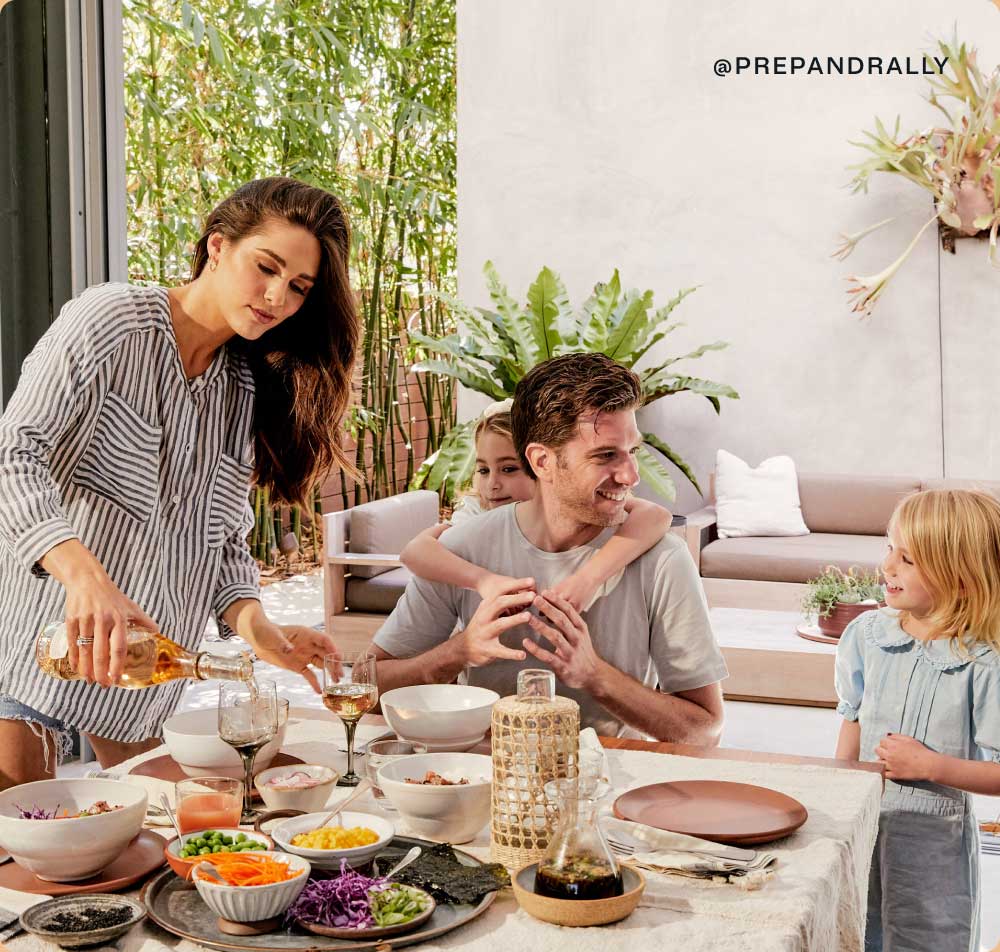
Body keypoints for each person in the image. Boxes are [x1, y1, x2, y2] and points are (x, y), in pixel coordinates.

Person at [0, 177, 359, 786]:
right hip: (37, 651)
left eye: (298, 287)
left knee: (171, 845)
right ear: (217, 248)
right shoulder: (110, 323)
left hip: (140, 676)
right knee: (24, 851)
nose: (277, 296)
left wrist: (262, 633)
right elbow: (14, 455)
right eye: (265, 266)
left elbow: (219, 544)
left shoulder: (237, 389)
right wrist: (86, 581)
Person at [374, 353, 727, 741]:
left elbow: (704, 730)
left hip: (608, 787)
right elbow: (368, 686)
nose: (630, 475)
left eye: (633, 452)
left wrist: (597, 678)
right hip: (478, 782)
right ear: (542, 461)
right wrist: (458, 652)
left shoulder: (662, 561)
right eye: (606, 455)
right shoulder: (463, 548)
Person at [834, 489, 1000, 952]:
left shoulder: (983, 664)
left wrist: (932, 767)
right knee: (854, 926)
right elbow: (852, 716)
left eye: (908, 558)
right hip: (863, 823)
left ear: (962, 580)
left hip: (934, 846)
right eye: (890, 547)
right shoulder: (867, 636)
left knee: (927, 940)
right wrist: (842, 785)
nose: (888, 566)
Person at [401, 398, 674, 610]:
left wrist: (587, 580)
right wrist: (485, 581)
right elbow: (415, 552)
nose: (492, 484)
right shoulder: (476, 513)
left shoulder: (589, 513)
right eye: (483, 470)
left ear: (541, 466)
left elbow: (656, 516)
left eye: (509, 469)